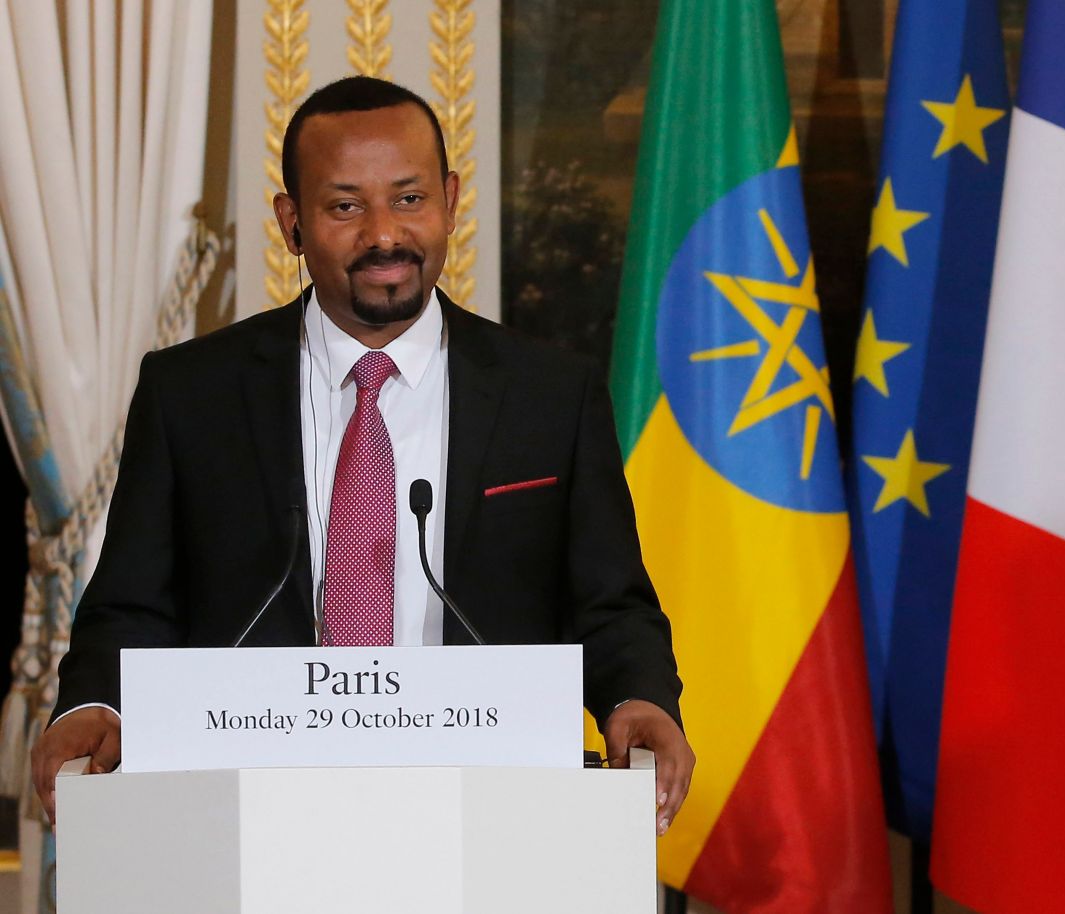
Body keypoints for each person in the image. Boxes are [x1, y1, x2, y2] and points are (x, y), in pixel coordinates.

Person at [30, 77, 694, 834]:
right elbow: (130, 607)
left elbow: (610, 603)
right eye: (346, 206)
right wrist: (93, 705)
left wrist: (637, 698)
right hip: (247, 822)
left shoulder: (551, 393)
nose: (384, 233)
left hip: (490, 820)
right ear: (292, 222)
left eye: (409, 199)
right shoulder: (191, 393)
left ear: (448, 199)